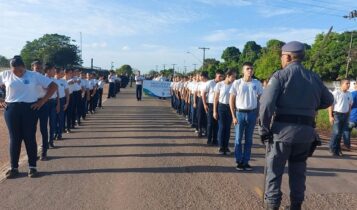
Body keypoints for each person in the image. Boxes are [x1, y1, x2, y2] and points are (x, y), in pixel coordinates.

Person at [259, 41, 334, 210]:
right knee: (298, 172)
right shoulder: (314, 77)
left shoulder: (279, 76)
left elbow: (266, 105)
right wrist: (309, 106)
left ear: (287, 56)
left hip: (282, 134)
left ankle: (272, 205)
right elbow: (329, 100)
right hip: (305, 135)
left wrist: (263, 130)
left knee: (274, 172)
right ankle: (296, 205)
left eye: (281, 56)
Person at [0, 56, 57, 178]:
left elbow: (53, 86)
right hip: (12, 109)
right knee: (14, 138)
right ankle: (14, 168)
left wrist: (42, 102)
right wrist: (0, 100)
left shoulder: (33, 75)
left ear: (24, 67)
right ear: (11, 69)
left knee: (29, 137)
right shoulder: (5, 74)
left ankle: (32, 167)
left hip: (30, 109)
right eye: (14, 71)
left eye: (20, 71)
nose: (18, 74)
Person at [229, 62, 263, 170]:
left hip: (252, 114)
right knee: (238, 139)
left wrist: (258, 115)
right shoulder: (237, 83)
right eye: (247, 69)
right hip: (240, 114)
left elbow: (260, 100)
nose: (250, 71)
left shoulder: (257, 83)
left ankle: (246, 161)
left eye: (251, 69)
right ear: (243, 71)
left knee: (249, 140)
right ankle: (239, 161)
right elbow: (231, 100)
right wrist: (233, 116)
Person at [214, 69, 236, 154]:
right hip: (221, 107)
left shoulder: (234, 85)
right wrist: (214, 111)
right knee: (222, 127)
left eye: (235, 77)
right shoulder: (219, 85)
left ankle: (226, 147)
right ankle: (221, 146)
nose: (234, 78)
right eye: (233, 76)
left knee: (228, 128)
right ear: (228, 76)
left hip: (230, 108)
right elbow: (216, 98)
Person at [328, 79, 352, 156]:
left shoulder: (349, 94)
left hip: (345, 115)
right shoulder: (336, 93)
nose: (348, 85)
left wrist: (348, 116)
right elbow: (331, 105)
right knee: (336, 132)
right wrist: (330, 116)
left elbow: (349, 105)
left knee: (341, 133)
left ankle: (338, 149)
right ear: (342, 84)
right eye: (347, 83)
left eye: (349, 84)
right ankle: (332, 148)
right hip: (337, 114)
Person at [203, 70, 224, 146]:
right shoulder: (210, 83)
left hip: (219, 105)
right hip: (211, 104)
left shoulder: (222, 84)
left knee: (217, 124)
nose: (221, 78)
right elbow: (203, 93)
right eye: (219, 76)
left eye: (222, 76)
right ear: (216, 75)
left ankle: (215, 139)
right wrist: (205, 104)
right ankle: (209, 139)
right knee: (210, 123)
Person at [54, 68, 69, 141]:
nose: (63, 74)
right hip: (54, 101)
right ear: (56, 73)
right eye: (61, 73)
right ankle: (54, 133)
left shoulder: (64, 81)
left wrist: (67, 102)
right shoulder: (52, 80)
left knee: (60, 118)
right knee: (53, 119)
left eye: (63, 73)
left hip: (62, 100)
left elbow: (67, 92)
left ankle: (59, 134)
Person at [343, 82, 357, 150]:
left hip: (353, 116)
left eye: (354, 84)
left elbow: (349, 105)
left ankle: (346, 145)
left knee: (346, 130)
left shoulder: (352, 94)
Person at [195, 72, 209, 137]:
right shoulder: (199, 84)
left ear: (203, 76)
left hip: (208, 101)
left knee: (206, 116)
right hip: (200, 100)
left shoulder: (209, 83)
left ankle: (206, 130)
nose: (199, 78)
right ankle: (199, 130)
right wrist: (195, 102)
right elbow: (196, 93)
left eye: (200, 76)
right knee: (199, 115)